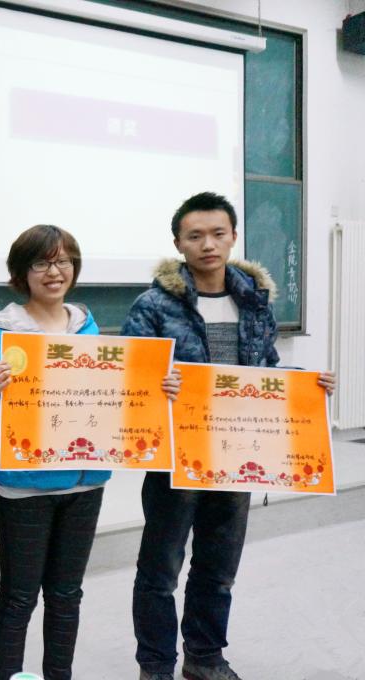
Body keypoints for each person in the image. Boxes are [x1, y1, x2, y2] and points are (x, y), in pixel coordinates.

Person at [123, 192, 336, 680]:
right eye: (195, 236)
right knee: (160, 572)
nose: (208, 244)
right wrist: (158, 385)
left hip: (237, 456)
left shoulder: (253, 300)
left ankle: (205, 658)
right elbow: (132, 381)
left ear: (234, 237)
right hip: (176, 459)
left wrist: (307, 386)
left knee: (218, 571)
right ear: (178, 243)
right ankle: (155, 666)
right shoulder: (153, 305)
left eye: (218, 234)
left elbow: (265, 370)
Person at [0, 225, 179, 680]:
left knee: (67, 595)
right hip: (26, 486)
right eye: (41, 262)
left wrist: (156, 387)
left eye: (63, 261)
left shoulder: (86, 325)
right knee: (19, 596)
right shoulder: (1, 330)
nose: (54, 271)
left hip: (85, 482)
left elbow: (110, 394)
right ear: (22, 272)